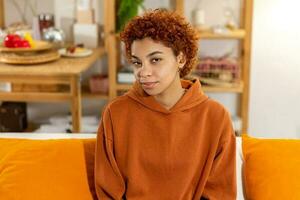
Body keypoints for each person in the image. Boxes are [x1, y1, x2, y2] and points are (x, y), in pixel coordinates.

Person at [95, 9, 236, 200]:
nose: (143, 72)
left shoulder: (215, 117)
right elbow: (108, 193)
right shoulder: (116, 114)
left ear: (181, 59)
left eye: (155, 60)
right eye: (137, 63)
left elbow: (220, 194)